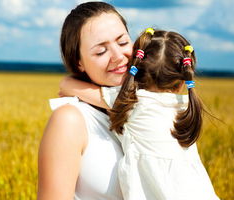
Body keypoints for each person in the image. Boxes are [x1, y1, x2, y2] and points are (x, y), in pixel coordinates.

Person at [59, 28, 220, 200]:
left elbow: (67, 85)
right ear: (182, 82)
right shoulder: (185, 106)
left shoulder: (132, 101)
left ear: (135, 67)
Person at [37, 2, 132, 200]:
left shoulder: (156, 106)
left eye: (122, 42)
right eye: (100, 51)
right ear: (78, 62)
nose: (118, 56)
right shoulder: (70, 120)